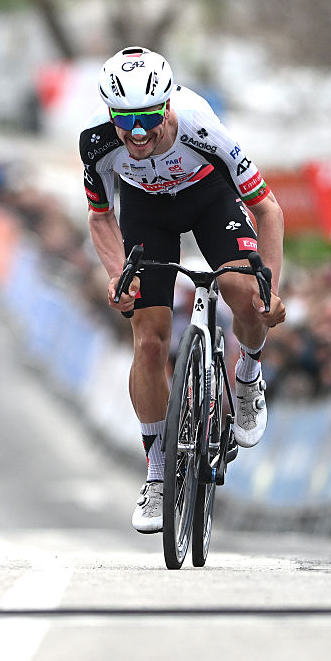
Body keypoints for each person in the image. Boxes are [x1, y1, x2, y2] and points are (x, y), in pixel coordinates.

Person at [78, 46, 287, 533]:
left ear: (168, 106)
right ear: (109, 114)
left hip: (209, 197)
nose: (137, 133)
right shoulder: (95, 140)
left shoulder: (200, 127)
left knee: (243, 293)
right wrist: (117, 275)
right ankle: (157, 472)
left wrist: (270, 289)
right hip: (146, 210)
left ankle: (248, 374)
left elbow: (268, 209)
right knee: (148, 341)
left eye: (148, 118)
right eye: (125, 120)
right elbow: (100, 215)